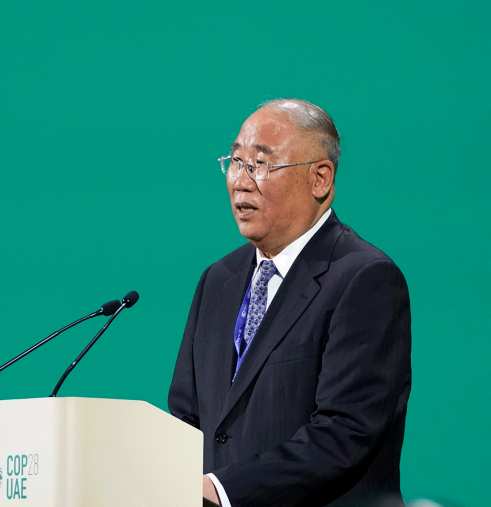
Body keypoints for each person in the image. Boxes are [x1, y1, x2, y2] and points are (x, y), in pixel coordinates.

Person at [168, 98, 412, 507]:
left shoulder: (363, 278)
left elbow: (344, 432)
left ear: (320, 179)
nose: (240, 181)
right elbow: (187, 421)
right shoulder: (218, 280)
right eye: (235, 161)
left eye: (260, 164)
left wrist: (224, 490)